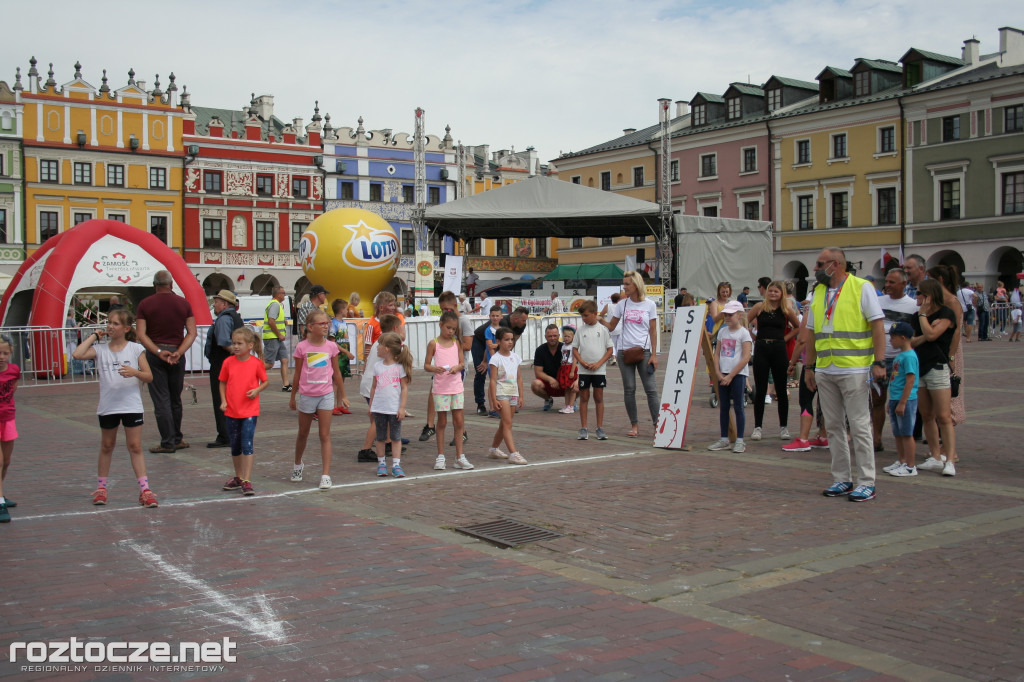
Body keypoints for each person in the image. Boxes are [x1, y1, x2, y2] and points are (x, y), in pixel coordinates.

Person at [803, 247, 886, 503]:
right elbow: (811, 333)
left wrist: (879, 362)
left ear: (835, 264)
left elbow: (877, 326)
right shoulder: (817, 292)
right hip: (826, 368)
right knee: (834, 426)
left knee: (860, 425)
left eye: (819, 264)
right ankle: (842, 478)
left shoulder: (861, 288)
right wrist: (809, 367)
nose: (815, 269)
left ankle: (866, 482)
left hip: (855, 368)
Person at [72, 310, 158, 508]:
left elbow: (149, 376)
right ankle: (101, 488)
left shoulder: (136, 349)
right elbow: (78, 354)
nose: (110, 326)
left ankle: (145, 490)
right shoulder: (100, 349)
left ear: (126, 328)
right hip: (109, 405)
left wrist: (134, 372)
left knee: (135, 446)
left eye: (116, 323)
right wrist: (94, 335)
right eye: (109, 323)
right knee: (107, 446)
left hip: (131, 405)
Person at [136, 270, 197, 454]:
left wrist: (158, 351)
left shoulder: (145, 304)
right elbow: (192, 332)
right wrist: (178, 352)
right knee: (174, 398)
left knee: (161, 399)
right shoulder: (183, 303)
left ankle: (167, 442)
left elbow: (141, 334)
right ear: (171, 285)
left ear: (154, 285)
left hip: (156, 355)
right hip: (177, 352)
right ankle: (177, 438)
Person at [291, 309, 346, 490]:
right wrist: (293, 396)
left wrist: (343, 395)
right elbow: (298, 373)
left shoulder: (331, 346)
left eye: (326, 323)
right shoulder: (302, 347)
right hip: (307, 394)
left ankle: (325, 474)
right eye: (321, 324)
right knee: (303, 433)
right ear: (310, 327)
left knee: (324, 435)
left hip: (325, 394)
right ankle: (298, 464)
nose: (325, 326)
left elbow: (336, 373)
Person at [910, 280, 958, 477]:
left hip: (937, 367)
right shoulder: (915, 317)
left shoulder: (946, 313)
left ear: (929, 296)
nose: (916, 297)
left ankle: (949, 459)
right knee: (927, 415)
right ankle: (935, 457)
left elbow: (932, 335)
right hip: (920, 366)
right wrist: (926, 329)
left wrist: (924, 319)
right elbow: (913, 341)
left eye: (919, 293)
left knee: (944, 416)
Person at [604, 271, 659, 439]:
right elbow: (612, 327)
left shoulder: (649, 304)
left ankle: (658, 425)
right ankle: (634, 425)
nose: (624, 287)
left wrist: (654, 354)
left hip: (644, 351)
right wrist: (598, 320)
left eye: (627, 283)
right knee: (629, 389)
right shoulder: (622, 304)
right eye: (624, 283)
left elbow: (653, 330)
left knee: (651, 390)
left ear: (636, 284)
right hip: (623, 351)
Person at [870, 269, 919, 452]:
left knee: (900, 399)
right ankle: (877, 437)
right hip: (881, 358)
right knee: (877, 399)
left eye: (892, 282)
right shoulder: (878, 301)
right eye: (887, 281)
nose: (888, 285)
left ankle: (904, 440)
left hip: (900, 360)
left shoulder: (913, 306)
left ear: (904, 284)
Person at [218, 327, 268, 496]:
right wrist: (224, 401)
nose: (236, 346)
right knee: (235, 444)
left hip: (249, 411)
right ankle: (238, 476)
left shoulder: (256, 363)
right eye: (234, 343)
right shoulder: (228, 362)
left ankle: (247, 479)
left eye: (239, 343)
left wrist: (256, 390)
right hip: (232, 410)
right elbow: (222, 382)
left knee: (247, 443)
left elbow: (265, 381)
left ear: (250, 345)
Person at [747, 281, 800, 441]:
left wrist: (785, 339)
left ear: (782, 293)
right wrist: (753, 337)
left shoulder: (786, 309)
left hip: (778, 349)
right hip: (762, 348)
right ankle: (758, 427)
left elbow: (798, 326)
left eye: (776, 291)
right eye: (770, 291)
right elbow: (745, 322)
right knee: (761, 389)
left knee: (781, 389)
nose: (773, 294)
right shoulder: (759, 307)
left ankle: (783, 427)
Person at [419, 291, 470, 446]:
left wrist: (454, 345)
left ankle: (462, 431)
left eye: (446, 309)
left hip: (457, 367)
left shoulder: (463, 321)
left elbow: (468, 344)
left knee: (456, 403)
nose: (443, 312)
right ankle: (430, 425)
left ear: (455, 305)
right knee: (434, 391)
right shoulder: (445, 323)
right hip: (443, 367)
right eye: (441, 310)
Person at [424, 311, 473, 471]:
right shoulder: (434, 343)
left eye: (453, 329)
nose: (451, 331)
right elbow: (426, 365)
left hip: (456, 386)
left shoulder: (456, 343)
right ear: (441, 325)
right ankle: (441, 455)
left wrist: (457, 367)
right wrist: (434, 368)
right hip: (441, 388)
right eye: (448, 328)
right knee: (442, 422)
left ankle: (460, 456)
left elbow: (461, 362)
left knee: (459, 422)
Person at [708, 301, 752, 453]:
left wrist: (731, 375)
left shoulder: (744, 333)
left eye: (730, 315)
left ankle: (740, 439)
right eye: (725, 314)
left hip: (738, 374)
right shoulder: (722, 332)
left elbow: (746, 357)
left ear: (739, 315)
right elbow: (717, 353)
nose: (727, 317)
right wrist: (718, 373)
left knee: (738, 406)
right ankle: (724, 438)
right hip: (723, 374)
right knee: (724, 407)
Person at [357, 314, 403, 462]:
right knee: (377, 421)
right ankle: (365, 449)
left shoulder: (382, 341)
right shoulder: (387, 344)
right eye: (402, 327)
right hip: (375, 385)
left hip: (374, 383)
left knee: (386, 414)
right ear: (395, 328)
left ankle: (388, 442)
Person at [369, 332, 413, 478]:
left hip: (394, 408)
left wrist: (402, 407)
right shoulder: (377, 366)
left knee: (395, 437)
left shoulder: (399, 368)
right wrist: (371, 405)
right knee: (380, 437)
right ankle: (381, 463)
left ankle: (396, 465)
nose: (377, 347)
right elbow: (374, 387)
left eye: (379, 345)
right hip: (379, 407)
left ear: (386, 349)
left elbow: (405, 388)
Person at [471, 306, 528, 416]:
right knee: (481, 372)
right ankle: (481, 404)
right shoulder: (502, 324)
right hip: (479, 341)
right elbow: (490, 345)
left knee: (501, 376)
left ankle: (507, 404)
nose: (525, 322)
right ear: (516, 319)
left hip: (494, 348)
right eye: (523, 320)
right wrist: (485, 360)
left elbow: (512, 342)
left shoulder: (521, 325)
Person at [204, 290, 243, 449]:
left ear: (225, 304)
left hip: (223, 364)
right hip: (233, 364)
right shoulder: (235, 317)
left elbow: (223, 341)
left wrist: (233, 352)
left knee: (221, 399)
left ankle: (225, 435)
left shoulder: (224, 319)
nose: (214, 305)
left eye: (217, 301)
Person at [881, 322, 919, 477]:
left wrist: (903, 402)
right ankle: (902, 460)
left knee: (907, 433)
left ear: (903, 338)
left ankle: (910, 465)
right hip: (896, 398)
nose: (890, 341)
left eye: (893, 338)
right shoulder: (901, 356)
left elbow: (910, 380)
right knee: (898, 432)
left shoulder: (909, 356)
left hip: (906, 400)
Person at [572, 301, 613, 441]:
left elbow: (610, 349)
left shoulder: (603, 330)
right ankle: (584, 428)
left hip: (599, 370)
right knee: (584, 397)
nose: (584, 318)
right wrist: (582, 362)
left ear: (595, 314)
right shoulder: (580, 330)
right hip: (584, 370)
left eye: (586, 315)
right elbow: (575, 349)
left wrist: (599, 363)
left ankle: (599, 427)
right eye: (582, 316)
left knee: (599, 397)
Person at [488, 327, 527, 465]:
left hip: (513, 394)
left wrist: (521, 396)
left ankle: (493, 449)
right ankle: (513, 453)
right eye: (506, 339)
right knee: (507, 423)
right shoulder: (495, 358)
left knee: (504, 423)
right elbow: (492, 380)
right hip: (501, 393)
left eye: (512, 339)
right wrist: (493, 399)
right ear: (498, 341)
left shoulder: (515, 357)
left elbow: (519, 378)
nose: (510, 342)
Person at [0, 337, 20, 523]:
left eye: (5, 353)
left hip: (8, 418)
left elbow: (12, 389)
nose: (2, 357)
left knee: (6, 461)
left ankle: (1, 492)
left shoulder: (14, 370)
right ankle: (0, 503)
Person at [531, 324, 570, 412]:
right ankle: (548, 399)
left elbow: (575, 367)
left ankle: (571, 401)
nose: (552, 338)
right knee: (535, 384)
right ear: (545, 337)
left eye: (555, 336)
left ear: (559, 336)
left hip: (565, 381)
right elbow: (538, 372)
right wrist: (550, 379)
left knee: (578, 383)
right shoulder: (540, 350)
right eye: (550, 336)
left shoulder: (567, 348)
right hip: (548, 384)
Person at [328, 299, 355, 416]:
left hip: (344, 356)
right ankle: (332, 405)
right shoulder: (333, 324)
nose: (347, 310)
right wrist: (345, 351)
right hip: (338, 356)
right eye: (345, 308)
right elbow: (333, 342)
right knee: (335, 381)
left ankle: (339, 405)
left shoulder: (343, 322)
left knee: (342, 380)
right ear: (340, 310)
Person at [262, 286, 292, 391]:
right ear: (278, 294)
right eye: (283, 293)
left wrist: (283, 321)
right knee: (269, 363)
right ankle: (251, 373)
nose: (284, 295)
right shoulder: (275, 305)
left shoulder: (277, 305)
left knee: (284, 359)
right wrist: (279, 334)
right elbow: (271, 321)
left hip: (276, 338)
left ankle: (286, 384)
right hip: (272, 337)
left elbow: (274, 319)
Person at [362, 291, 404, 361]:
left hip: (392, 357)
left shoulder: (396, 320)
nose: (393, 308)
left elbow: (402, 337)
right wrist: (366, 364)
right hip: (377, 357)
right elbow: (368, 347)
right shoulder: (372, 323)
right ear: (381, 308)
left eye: (394, 305)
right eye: (390, 305)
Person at [557, 325, 579, 413]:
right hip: (564, 367)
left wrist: (572, 371)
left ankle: (571, 406)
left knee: (572, 388)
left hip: (570, 367)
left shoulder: (573, 346)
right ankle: (566, 405)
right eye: (564, 336)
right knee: (566, 388)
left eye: (568, 336)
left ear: (573, 337)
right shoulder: (563, 346)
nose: (566, 338)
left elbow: (575, 359)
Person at [599, 293, 622, 366]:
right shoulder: (621, 306)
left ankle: (614, 356)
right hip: (621, 327)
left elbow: (601, 315)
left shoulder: (608, 306)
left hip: (611, 326)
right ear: (619, 299)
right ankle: (619, 358)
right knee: (619, 344)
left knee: (612, 343)